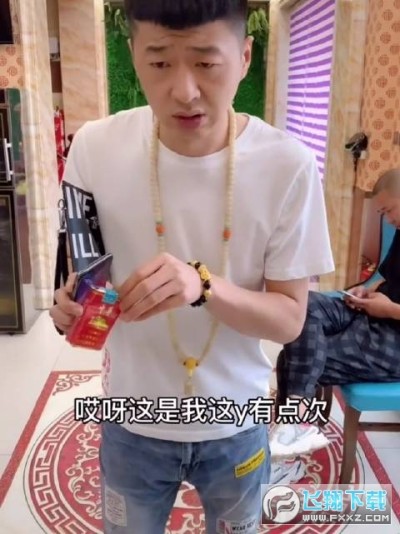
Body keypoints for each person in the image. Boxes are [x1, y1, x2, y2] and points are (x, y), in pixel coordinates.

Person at [49, 1, 334, 532]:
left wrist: (202, 284)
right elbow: (84, 274)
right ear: (134, 55)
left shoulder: (287, 165)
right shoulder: (93, 149)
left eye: (206, 63)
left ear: (244, 56)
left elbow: (289, 320)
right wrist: (70, 305)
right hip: (132, 419)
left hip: (235, 421)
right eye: (160, 62)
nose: (183, 90)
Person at [270, 168, 400, 459]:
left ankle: (291, 434)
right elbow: (388, 277)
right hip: (376, 313)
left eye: (390, 210)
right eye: (383, 213)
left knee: (292, 360)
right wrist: (367, 291)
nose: (388, 219)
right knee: (305, 305)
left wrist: (389, 309)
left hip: (394, 338)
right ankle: (294, 429)